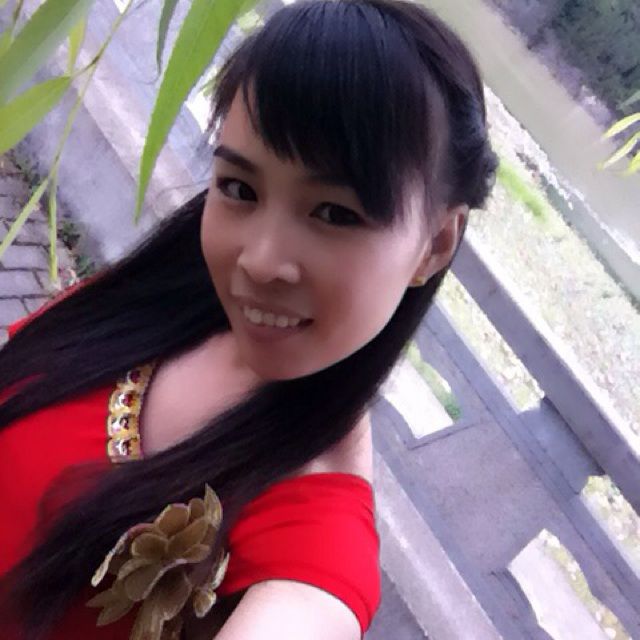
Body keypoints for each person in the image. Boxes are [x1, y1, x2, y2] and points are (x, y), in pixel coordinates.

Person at [0, 0, 497, 638]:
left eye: (335, 214)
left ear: (434, 245)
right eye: (240, 189)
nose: (260, 261)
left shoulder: (314, 543)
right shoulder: (157, 299)